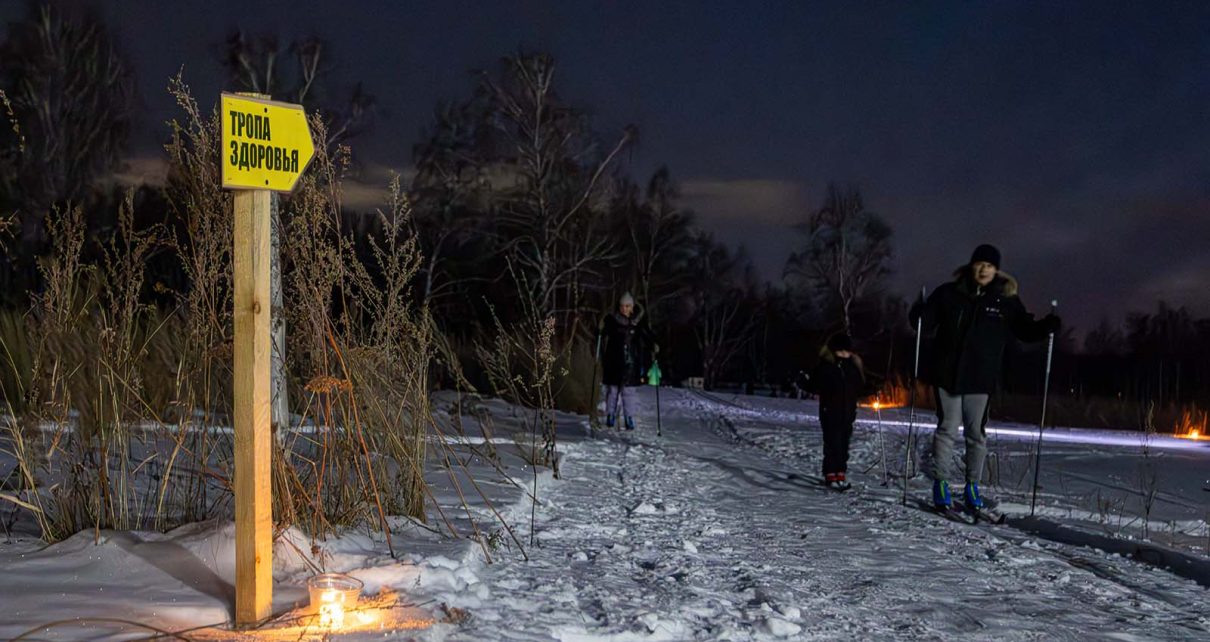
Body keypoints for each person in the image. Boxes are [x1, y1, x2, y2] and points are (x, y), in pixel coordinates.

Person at [910, 244, 1060, 511]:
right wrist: (918, 314)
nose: (983, 270)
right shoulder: (949, 293)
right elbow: (927, 322)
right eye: (980, 264)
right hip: (948, 375)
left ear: (996, 270)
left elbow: (1024, 331)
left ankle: (971, 486)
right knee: (947, 429)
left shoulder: (1005, 301)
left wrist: (1046, 327)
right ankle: (941, 483)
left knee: (976, 434)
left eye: (989, 266)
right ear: (971, 265)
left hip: (981, 378)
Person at [806, 333, 866, 490]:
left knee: (844, 444)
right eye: (842, 351)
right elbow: (814, 384)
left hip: (847, 412)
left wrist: (873, 388)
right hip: (830, 411)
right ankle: (830, 473)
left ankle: (840, 472)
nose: (845, 354)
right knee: (833, 443)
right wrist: (803, 381)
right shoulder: (827, 366)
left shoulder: (852, 366)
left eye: (847, 351)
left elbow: (859, 386)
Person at [598, 292, 657, 430]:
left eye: (627, 306)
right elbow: (602, 333)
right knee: (612, 391)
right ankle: (610, 415)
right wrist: (600, 330)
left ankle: (629, 417)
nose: (624, 309)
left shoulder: (637, 322)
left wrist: (653, 344)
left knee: (629, 393)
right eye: (622, 306)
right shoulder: (612, 321)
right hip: (614, 361)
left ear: (632, 307)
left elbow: (646, 335)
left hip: (631, 362)